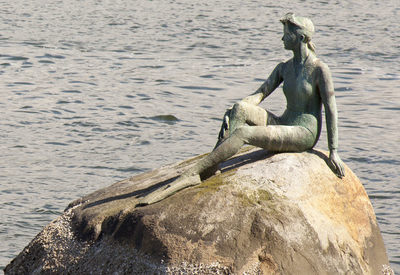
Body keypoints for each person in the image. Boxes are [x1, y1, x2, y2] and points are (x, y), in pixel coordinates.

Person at [137, 13, 346, 206]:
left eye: (286, 35)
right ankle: (214, 165)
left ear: (300, 38)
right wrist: (235, 109)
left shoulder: (319, 69)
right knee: (239, 109)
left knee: (244, 133)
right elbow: (259, 95)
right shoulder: (285, 67)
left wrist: (333, 151)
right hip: (284, 123)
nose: (281, 39)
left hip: (303, 133)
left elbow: (331, 110)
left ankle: (195, 172)